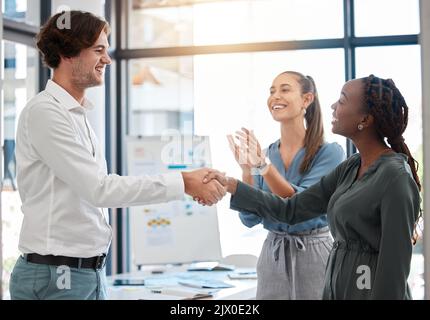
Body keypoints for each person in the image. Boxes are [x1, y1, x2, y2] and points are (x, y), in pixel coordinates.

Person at [9, 11, 225, 300]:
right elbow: (99, 189)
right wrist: (183, 182)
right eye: (98, 49)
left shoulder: (76, 115)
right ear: (67, 52)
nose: (108, 60)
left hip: (84, 274)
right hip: (58, 279)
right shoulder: (46, 113)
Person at [204, 75, 421, 300]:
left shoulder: (395, 178)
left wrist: (261, 167)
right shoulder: (351, 167)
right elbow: (292, 209)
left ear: (365, 119)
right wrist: (231, 184)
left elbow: (393, 273)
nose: (333, 106)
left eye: (343, 101)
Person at [226, 71, 345, 299]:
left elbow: (298, 206)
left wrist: (262, 166)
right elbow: (250, 219)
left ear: (307, 100)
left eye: (285, 89)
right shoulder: (267, 154)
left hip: (314, 253)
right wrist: (246, 170)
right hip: (273, 255)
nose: (275, 96)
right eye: (272, 91)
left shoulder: (330, 153)